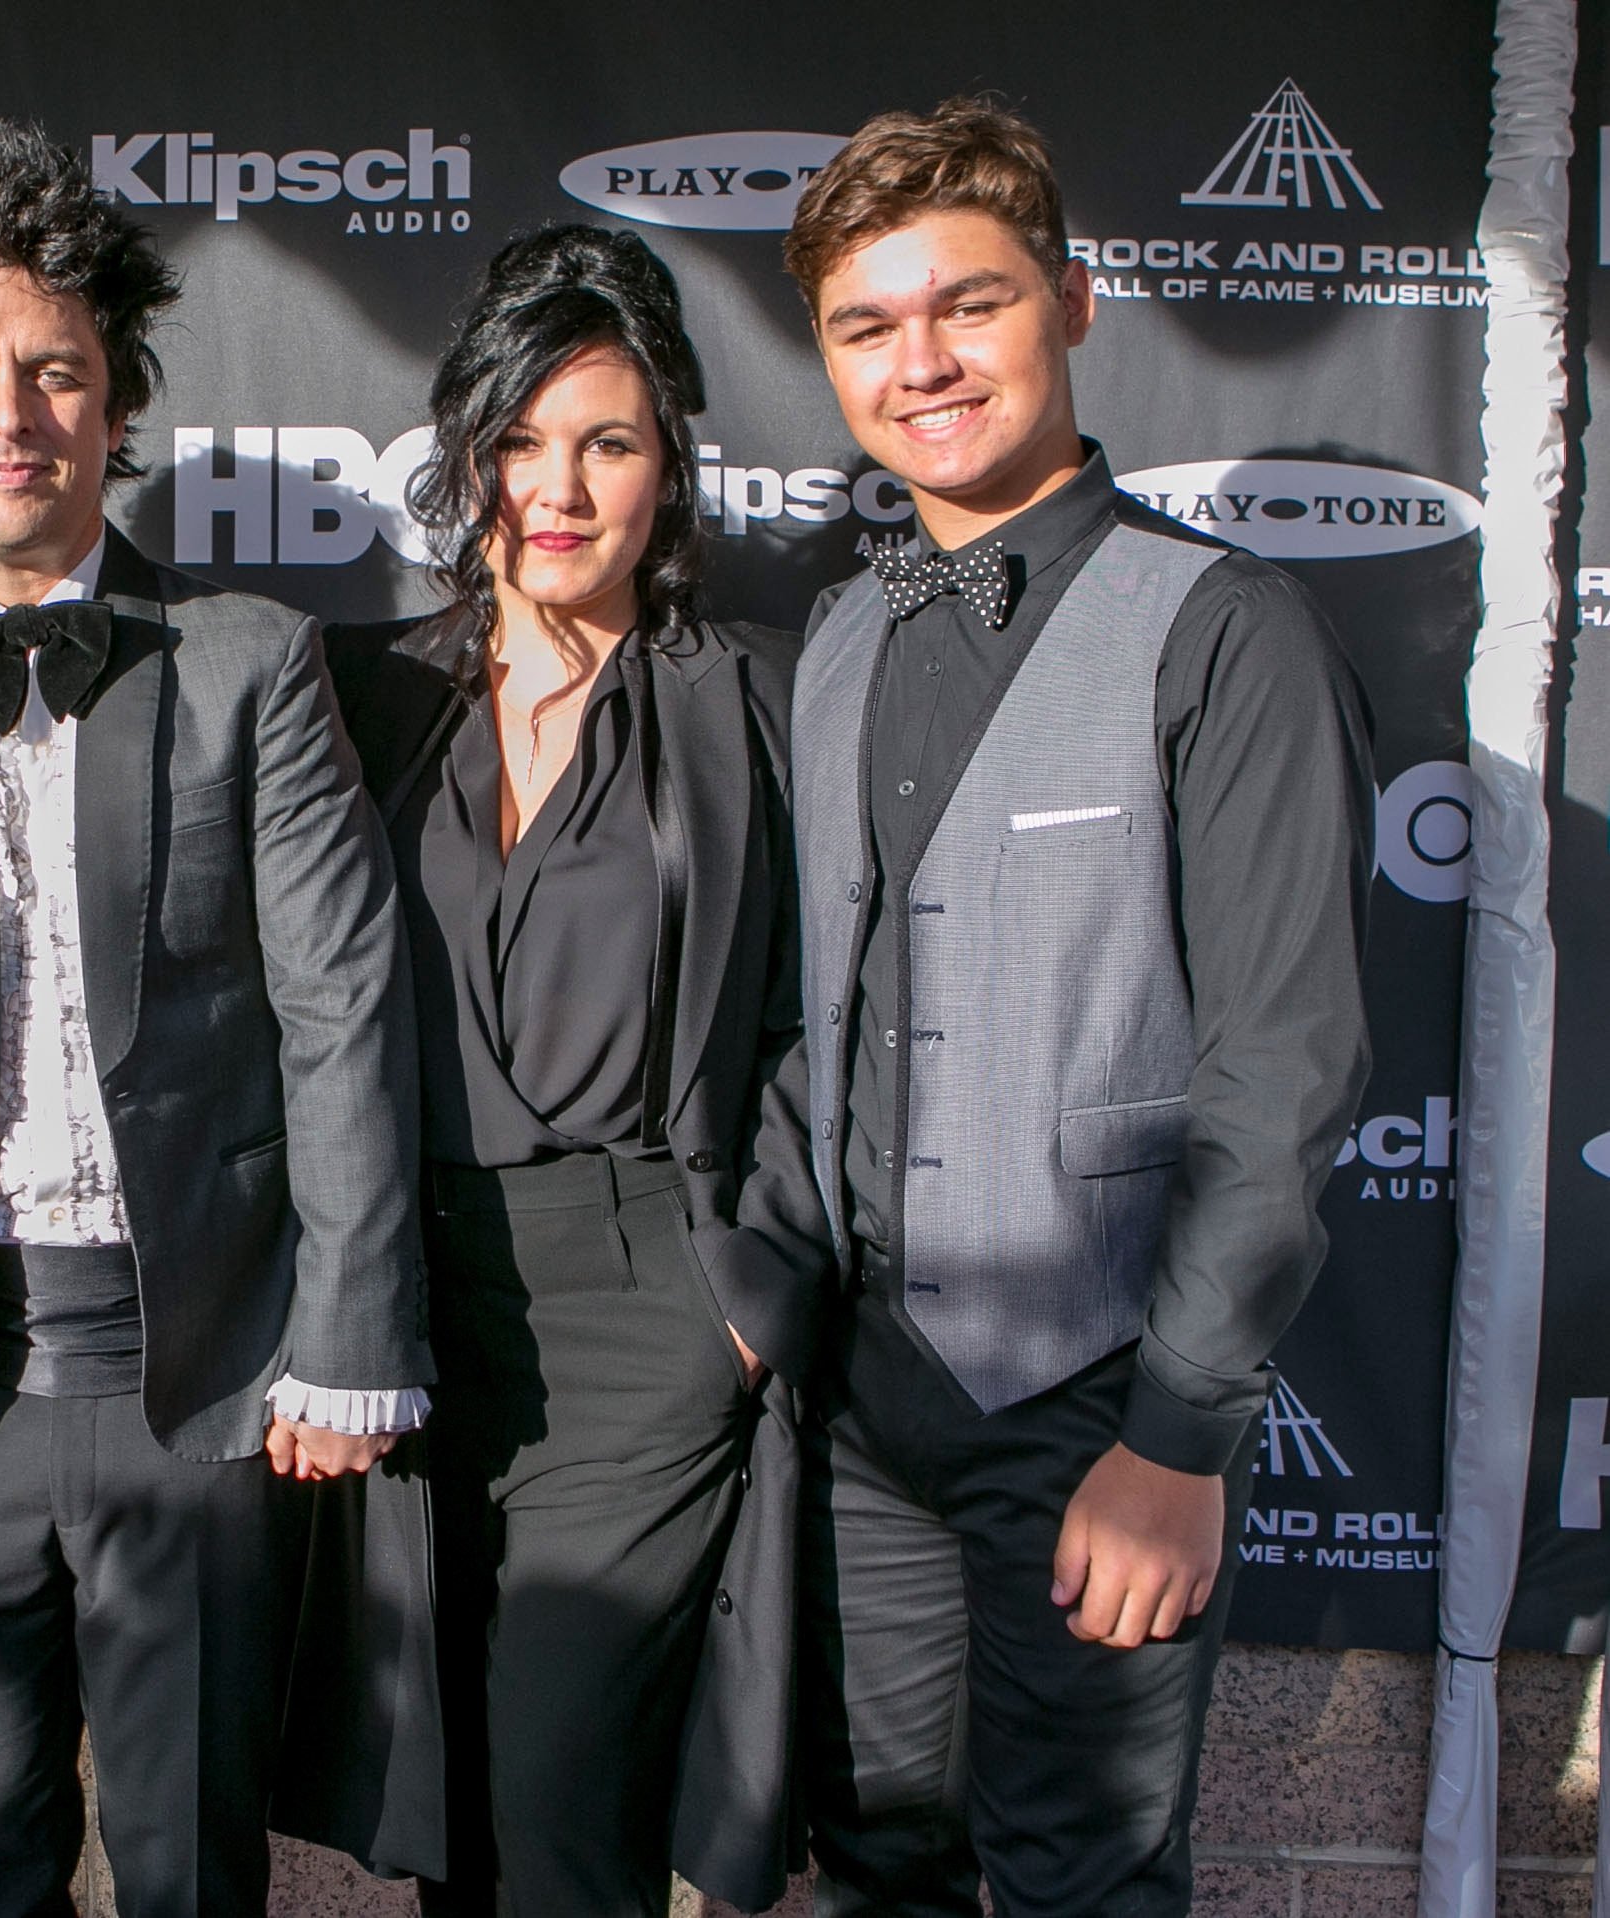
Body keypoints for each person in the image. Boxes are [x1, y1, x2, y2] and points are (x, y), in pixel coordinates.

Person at [0, 122, 432, 1916]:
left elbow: (340, 1003)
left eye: (54, 371)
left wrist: (348, 1329)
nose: (11, 412)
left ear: (112, 403)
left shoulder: (248, 666)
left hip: (194, 1384)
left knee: (196, 1864)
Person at [778, 98, 1375, 1915]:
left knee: (1081, 1885)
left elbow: (1278, 1067)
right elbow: (820, 1011)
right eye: (867, 328)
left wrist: (1176, 1436)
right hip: (865, 1410)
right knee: (879, 1860)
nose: (923, 362)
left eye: (969, 303)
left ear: (1077, 306)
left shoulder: (1221, 628)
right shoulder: (835, 642)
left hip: (1095, 1402)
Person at [324, 224, 828, 1918]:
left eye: (606, 440)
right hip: (401, 1310)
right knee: (449, 1813)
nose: (558, 484)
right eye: (520, 440)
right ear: (464, 458)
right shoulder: (366, 697)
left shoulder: (748, 698)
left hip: (642, 1311)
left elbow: (819, 1010)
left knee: (557, 1813)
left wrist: (755, 1280)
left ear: (669, 463)